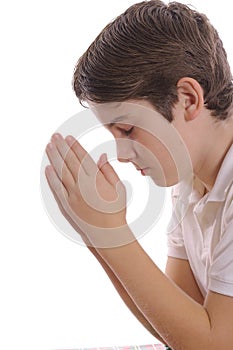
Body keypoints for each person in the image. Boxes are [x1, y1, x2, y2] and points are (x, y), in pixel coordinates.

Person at [45, 1, 233, 349]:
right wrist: (97, 232)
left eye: (128, 129)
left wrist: (110, 232)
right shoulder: (190, 181)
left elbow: (212, 345)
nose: (120, 153)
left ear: (188, 99)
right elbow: (177, 323)